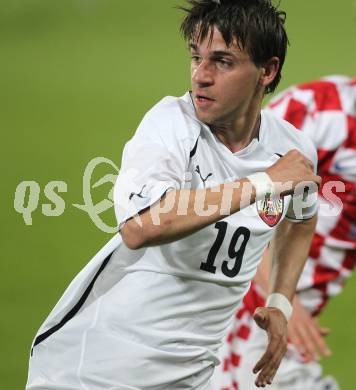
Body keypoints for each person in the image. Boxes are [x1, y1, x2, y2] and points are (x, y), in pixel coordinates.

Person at [26, 1, 321, 389]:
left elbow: (301, 219)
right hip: (93, 370)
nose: (201, 75)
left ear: (267, 70)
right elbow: (141, 226)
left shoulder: (291, 150)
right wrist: (264, 183)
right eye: (196, 58)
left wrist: (281, 302)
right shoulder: (169, 126)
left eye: (222, 61)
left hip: (190, 375)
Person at [212, 75, 356, 390]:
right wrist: (283, 299)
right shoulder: (318, 110)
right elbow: (231, 200)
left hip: (287, 323)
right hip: (249, 315)